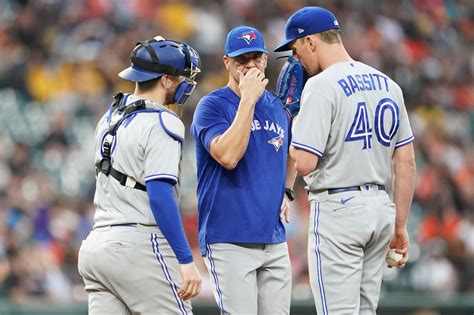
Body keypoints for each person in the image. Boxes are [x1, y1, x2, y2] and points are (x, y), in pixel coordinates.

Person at [274, 6, 417, 314]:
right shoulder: (388, 84)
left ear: (312, 42)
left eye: (296, 49)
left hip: (339, 211)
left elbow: (306, 162)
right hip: (381, 210)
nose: (295, 59)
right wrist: (400, 224)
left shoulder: (320, 86)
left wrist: (293, 119)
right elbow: (405, 162)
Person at [78, 36, 202, 314]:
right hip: (138, 246)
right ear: (166, 80)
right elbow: (159, 196)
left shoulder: (109, 117)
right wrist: (185, 259)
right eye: (182, 77)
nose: (185, 84)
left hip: (97, 247)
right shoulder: (163, 120)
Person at [191, 25, 296, 314]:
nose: (250, 65)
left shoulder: (276, 106)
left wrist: (287, 190)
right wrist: (248, 98)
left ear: (264, 59)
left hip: (273, 239)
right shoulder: (212, 105)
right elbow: (228, 156)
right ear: (227, 62)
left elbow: (292, 152)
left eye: (255, 57)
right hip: (229, 238)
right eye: (241, 59)